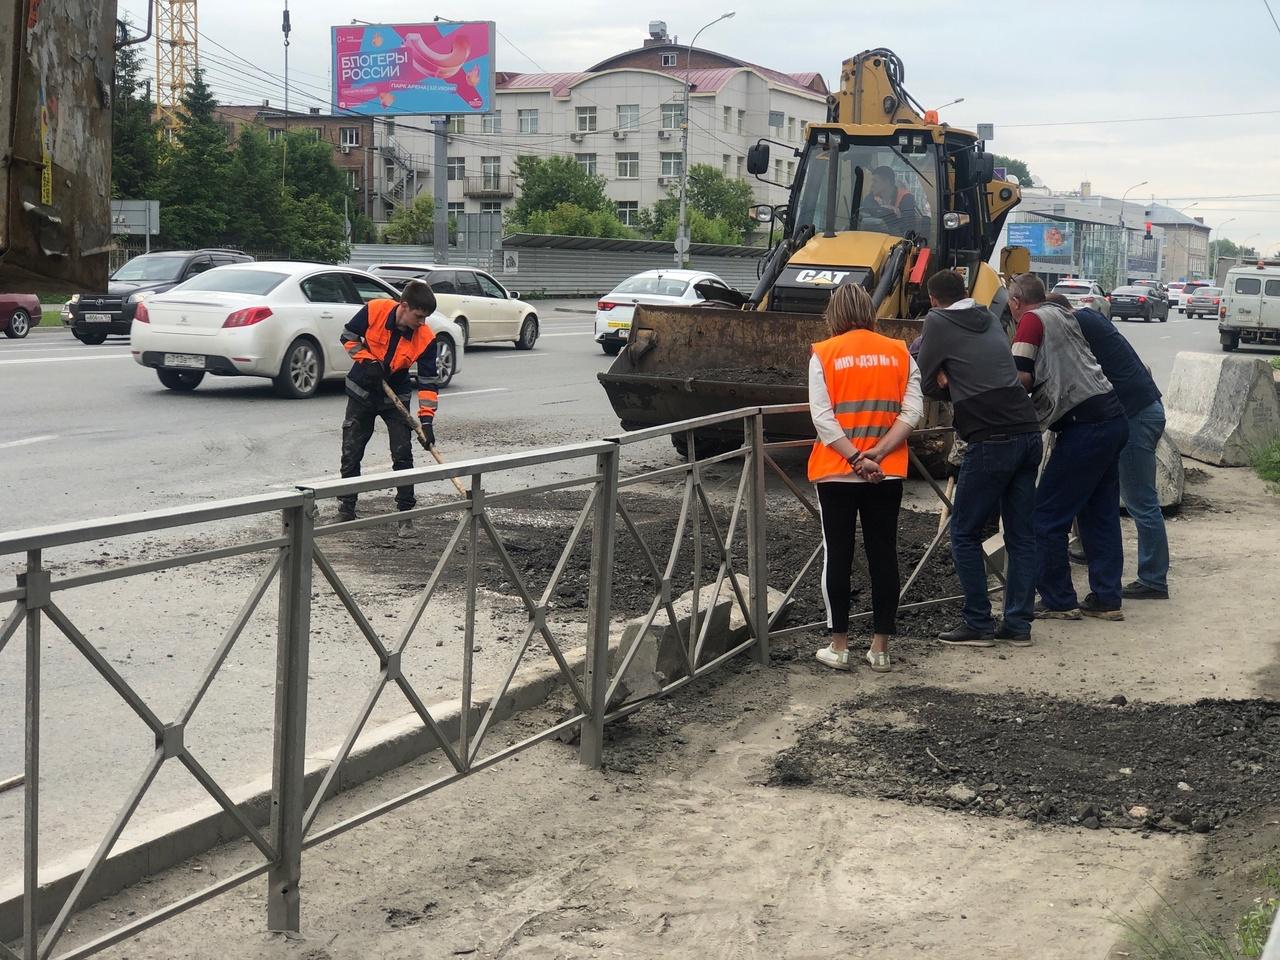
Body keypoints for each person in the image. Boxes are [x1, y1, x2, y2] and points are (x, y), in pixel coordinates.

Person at [916, 269, 1043, 647]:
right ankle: (1018, 625)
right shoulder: (989, 316)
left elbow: (924, 380)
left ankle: (978, 623)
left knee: (963, 532)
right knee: (1021, 535)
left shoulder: (937, 320)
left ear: (934, 299)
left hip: (991, 438)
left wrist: (946, 381)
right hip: (1027, 430)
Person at [808, 283, 923, 673]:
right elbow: (912, 412)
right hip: (886, 471)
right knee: (883, 554)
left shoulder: (824, 354)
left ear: (834, 314)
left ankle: (838, 646)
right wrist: (879, 453)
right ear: (871, 311)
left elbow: (823, 419)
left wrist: (856, 458)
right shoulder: (900, 352)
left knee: (838, 555)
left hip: (838, 471)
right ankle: (880, 649)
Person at [1009, 274, 1129, 620]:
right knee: (1099, 512)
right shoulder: (1062, 313)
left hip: (1084, 426)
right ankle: (1107, 599)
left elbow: (1021, 377)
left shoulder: (1030, 321)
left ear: (1016, 302)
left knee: (1045, 516)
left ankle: (1059, 599)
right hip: (1111, 417)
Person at [1045, 293, 1170, 599]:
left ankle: (1153, 579)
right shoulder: (1090, 318)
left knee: (1140, 499)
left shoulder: (1079, 324)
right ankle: (1090, 549)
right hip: (1137, 410)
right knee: (1100, 491)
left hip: (1135, 415)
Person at [336, 280, 441, 526]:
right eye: (418, 316)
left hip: (396, 394)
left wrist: (427, 421)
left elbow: (428, 382)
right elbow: (348, 336)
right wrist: (366, 360)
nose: (422, 322)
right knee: (351, 451)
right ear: (403, 306)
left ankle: (405, 514)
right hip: (362, 389)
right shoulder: (375, 309)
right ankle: (346, 508)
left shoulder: (426, 338)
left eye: (426, 318)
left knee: (403, 454)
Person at [864, 165, 919, 235]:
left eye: (875, 181)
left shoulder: (906, 198)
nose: (872, 185)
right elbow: (864, 215)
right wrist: (886, 209)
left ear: (887, 182)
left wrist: (894, 216)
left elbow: (908, 227)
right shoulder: (871, 197)